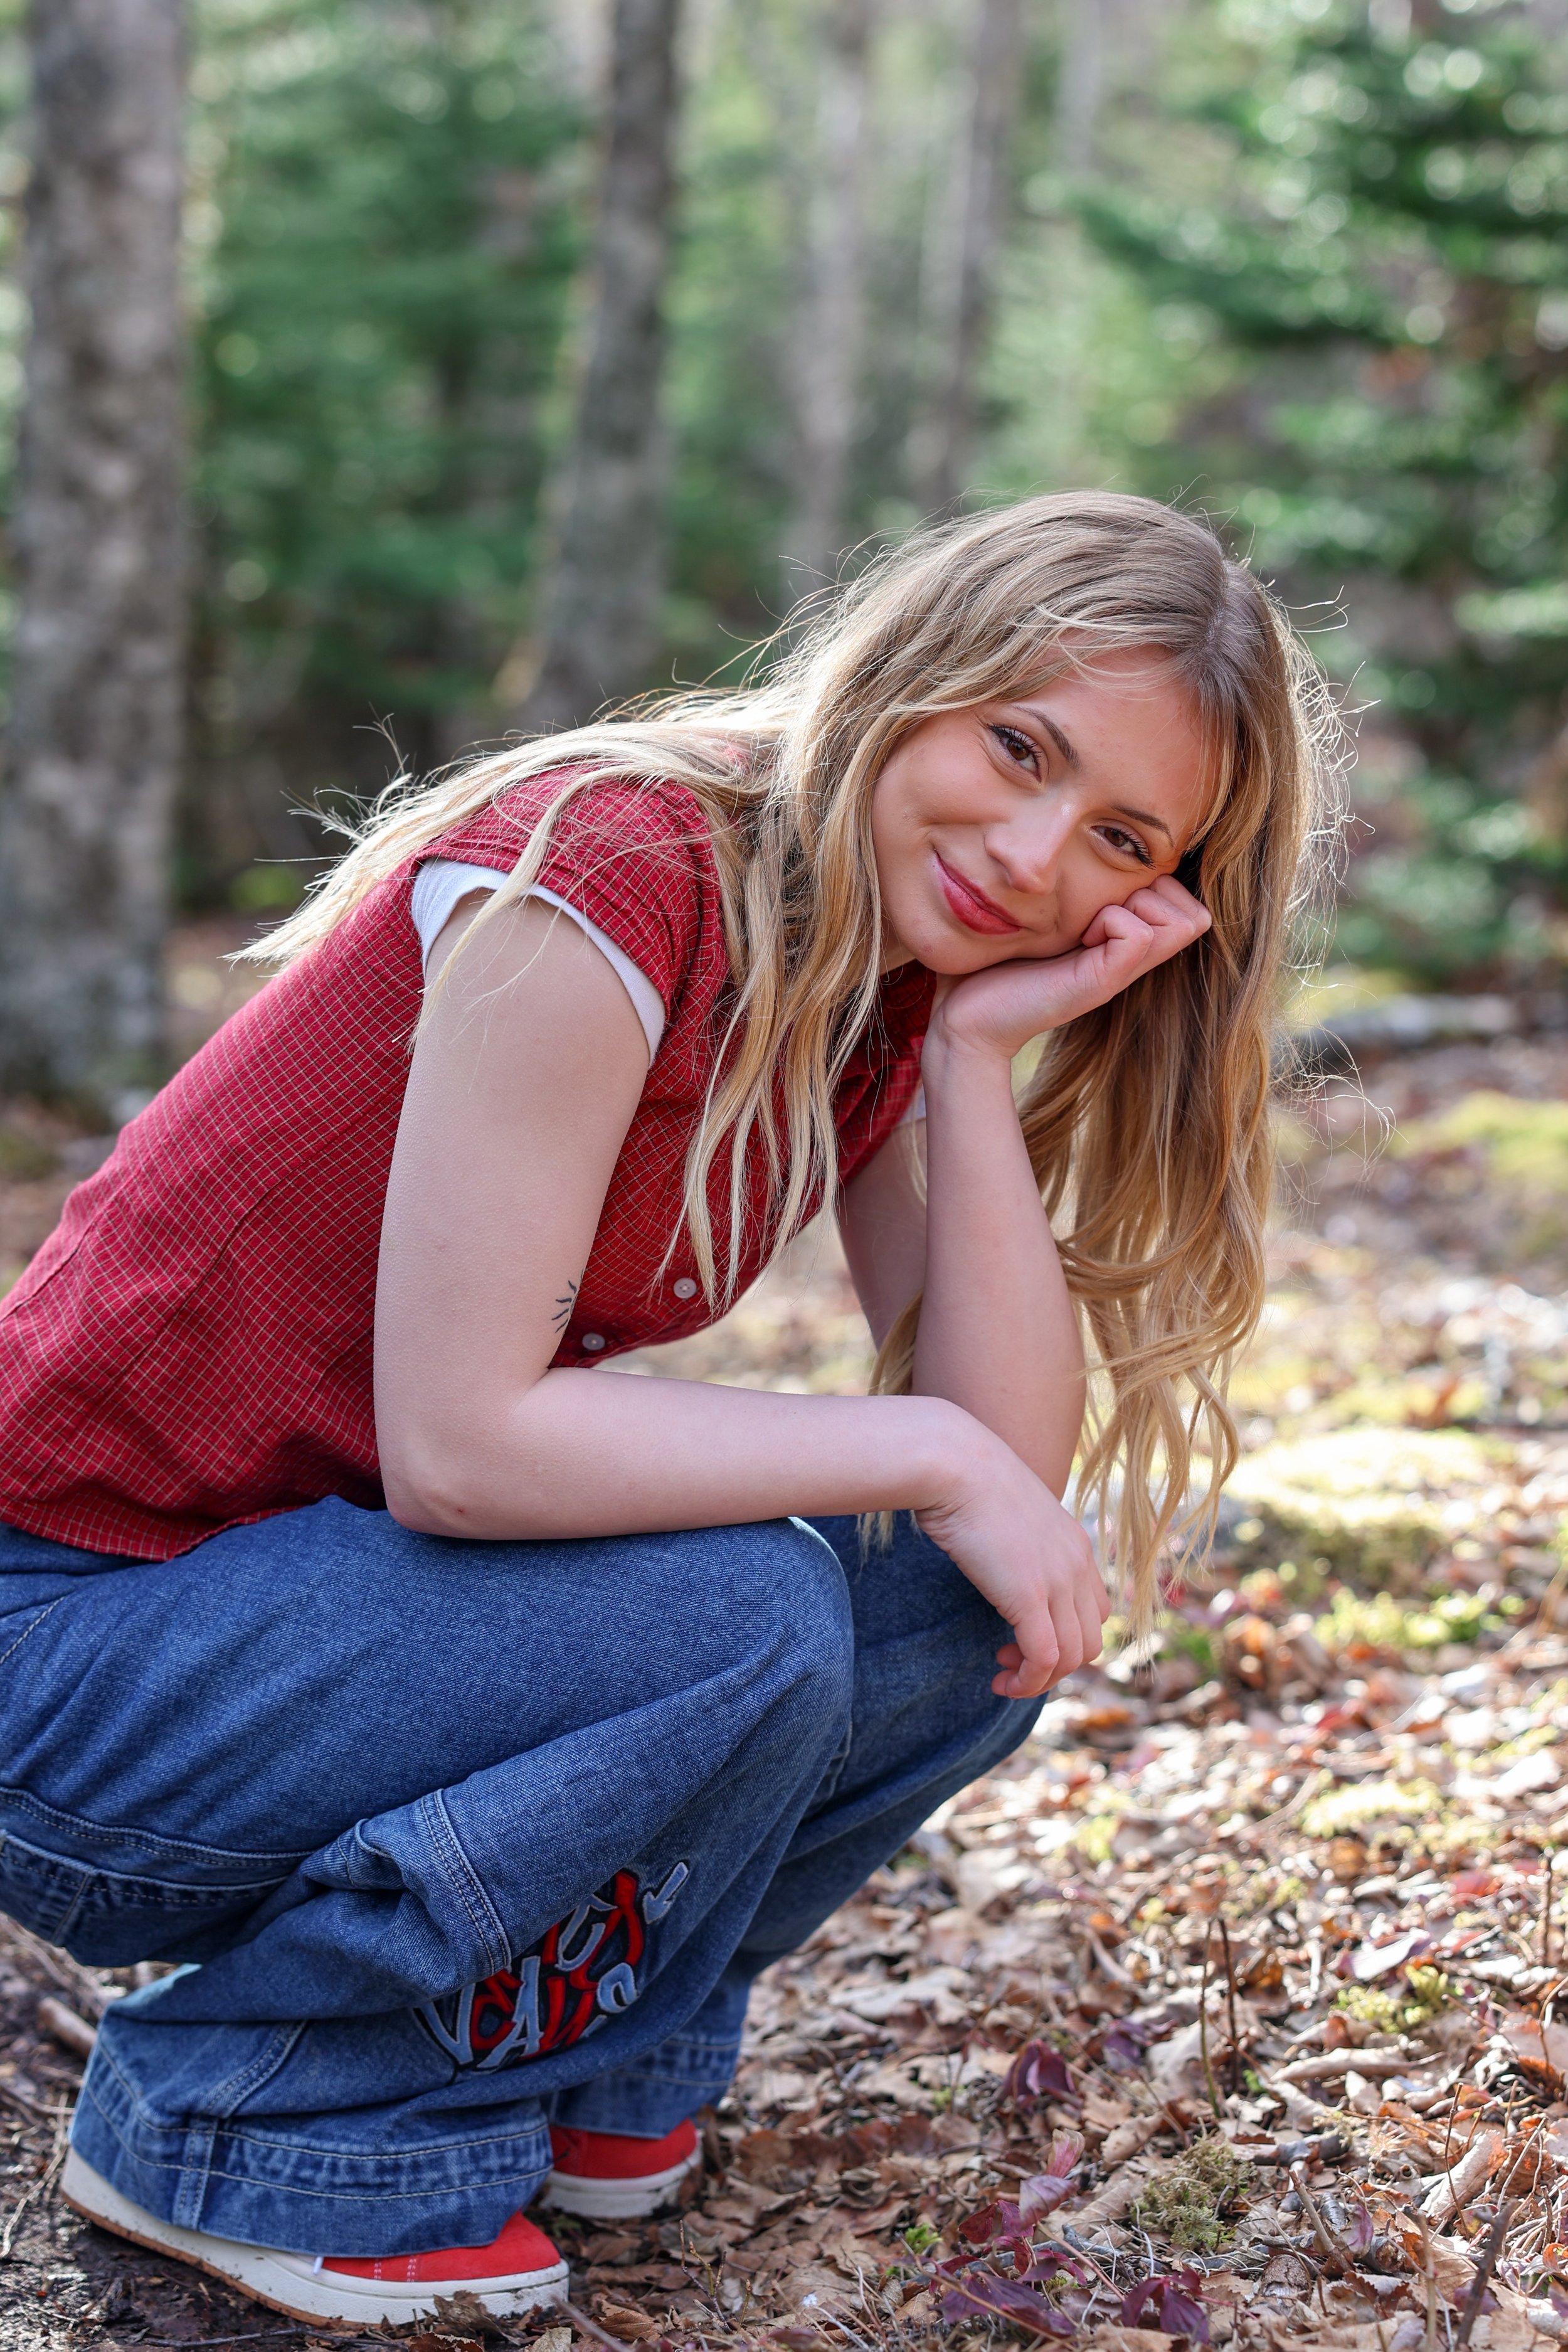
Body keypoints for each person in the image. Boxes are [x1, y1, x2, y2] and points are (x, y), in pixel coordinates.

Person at [0, 492, 1335, 2324]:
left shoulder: (884, 964)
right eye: (1016, 747)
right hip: (69, 1653)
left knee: (946, 1599)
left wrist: (964, 1057)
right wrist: (929, 1453)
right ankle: (246, 2115)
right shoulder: (614, 873)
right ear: (915, 668)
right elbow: (466, 1453)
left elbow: (1002, 1472)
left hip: (290, 1633)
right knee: (748, 1603)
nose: (1032, 855)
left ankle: (572, 2050)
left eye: (1117, 836)